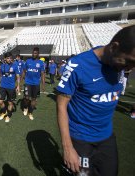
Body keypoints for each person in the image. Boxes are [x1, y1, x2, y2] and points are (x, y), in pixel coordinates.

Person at [56, 25, 135, 176]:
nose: (130, 68)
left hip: (107, 138)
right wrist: (67, 147)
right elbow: (61, 106)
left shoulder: (118, 65)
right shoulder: (78, 65)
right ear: (114, 47)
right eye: (128, 61)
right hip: (80, 139)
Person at [22, 47, 45, 120]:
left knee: (34, 99)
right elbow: (24, 70)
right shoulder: (28, 61)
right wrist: (23, 78)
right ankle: (25, 108)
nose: (33, 54)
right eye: (33, 53)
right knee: (26, 98)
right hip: (28, 82)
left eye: (35, 53)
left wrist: (43, 85)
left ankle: (30, 112)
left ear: (38, 54)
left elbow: (42, 74)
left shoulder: (41, 63)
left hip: (36, 84)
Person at [0, 52, 20, 123]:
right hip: (2, 86)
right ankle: (4, 112)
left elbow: (18, 76)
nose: (9, 59)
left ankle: (8, 115)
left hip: (11, 87)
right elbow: (0, 76)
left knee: (10, 103)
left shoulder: (15, 66)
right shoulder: (2, 66)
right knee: (0, 101)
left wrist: (18, 86)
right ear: (5, 59)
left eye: (10, 58)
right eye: (8, 58)